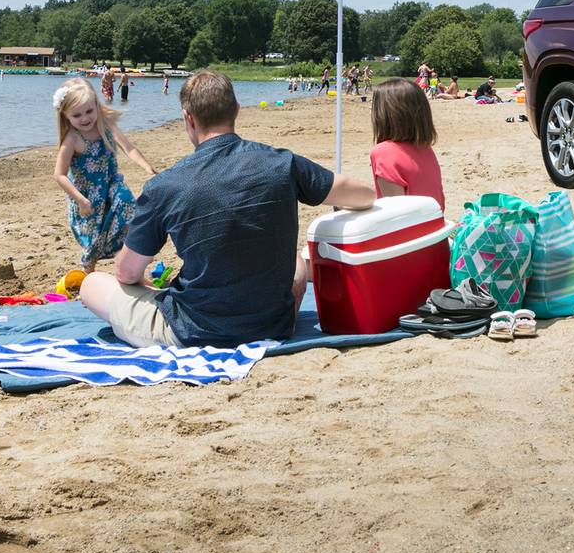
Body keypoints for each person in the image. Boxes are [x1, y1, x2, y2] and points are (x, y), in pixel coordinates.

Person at [80, 70, 374, 348]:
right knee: (296, 261)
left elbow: (127, 273)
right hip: (273, 323)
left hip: (194, 329)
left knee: (92, 283)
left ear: (188, 119)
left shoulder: (164, 186)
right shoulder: (282, 164)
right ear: (236, 110)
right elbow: (363, 195)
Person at [53, 78, 156, 269]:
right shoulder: (72, 139)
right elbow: (59, 175)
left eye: (89, 111)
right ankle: (88, 270)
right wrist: (81, 200)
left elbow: (129, 148)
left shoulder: (105, 124)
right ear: (66, 116)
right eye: (77, 115)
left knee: (130, 210)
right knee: (93, 241)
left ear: (96, 106)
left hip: (112, 186)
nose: (85, 118)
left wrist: (147, 167)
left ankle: (128, 262)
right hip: (87, 197)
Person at [369, 77, 445, 210]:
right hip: (435, 225)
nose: (370, 111)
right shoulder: (425, 148)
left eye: (374, 106)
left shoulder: (384, 152)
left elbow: (395, 212)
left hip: (413, 228)